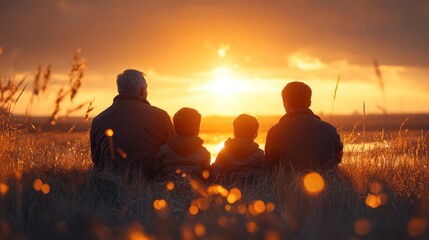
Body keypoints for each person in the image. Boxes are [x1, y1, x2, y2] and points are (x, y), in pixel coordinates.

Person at [90, 69, 175, 180]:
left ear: (119, 90)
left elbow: (97, 161)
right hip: (154, 181)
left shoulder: (98, 120)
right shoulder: (161, 116)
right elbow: (173, 153)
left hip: (110, 184)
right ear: (142, 91)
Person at [265, 81, 343, 171]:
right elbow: (337, 160)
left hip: (288, 183)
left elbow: (270, 165)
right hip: (328, 183)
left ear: (286, 103)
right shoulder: (330, 130)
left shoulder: (275, 131)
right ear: (309, 102)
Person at [156, 107, 211, 179]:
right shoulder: (204, 153)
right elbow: (207, 174)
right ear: (197, 130)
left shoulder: (164, 149)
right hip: (195, 187)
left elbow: (158, 169)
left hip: (167, 185)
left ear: (175, 129)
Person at [211, 114, 266, 180]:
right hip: (254, 187)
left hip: (229, 187)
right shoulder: (259, 154)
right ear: (255, 135)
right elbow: (266, 173)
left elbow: (215, 170)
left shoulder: (224, 152)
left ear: (234, 132)